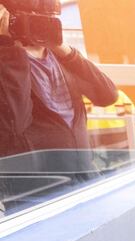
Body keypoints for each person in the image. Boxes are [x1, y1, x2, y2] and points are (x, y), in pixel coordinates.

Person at [0, 3, 118, 172]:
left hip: (84, 178)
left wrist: (64, 50)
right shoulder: (7, 63)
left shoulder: (61, 58)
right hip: (42, 189)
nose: (40, 21)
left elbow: (108, 95)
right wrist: (7, 48)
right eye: (30, 16)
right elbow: (14, 125)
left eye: (45, 16)